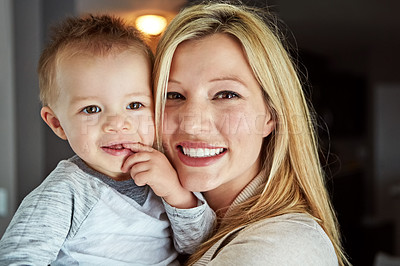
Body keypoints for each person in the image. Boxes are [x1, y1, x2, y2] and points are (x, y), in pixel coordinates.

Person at [0, 14, 215, 265]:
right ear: (57, 123)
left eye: (134, 105)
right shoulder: (65, 192)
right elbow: (17, 258)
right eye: (91, 109)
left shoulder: (168, 174)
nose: (117, 124)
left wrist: (178, 196)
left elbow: (203, 246)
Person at [152, 2, 349, 265]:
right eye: (173, 95)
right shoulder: (156, 221)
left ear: (272, 115)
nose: (192, 124)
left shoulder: (279, 248)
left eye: (226, 94)